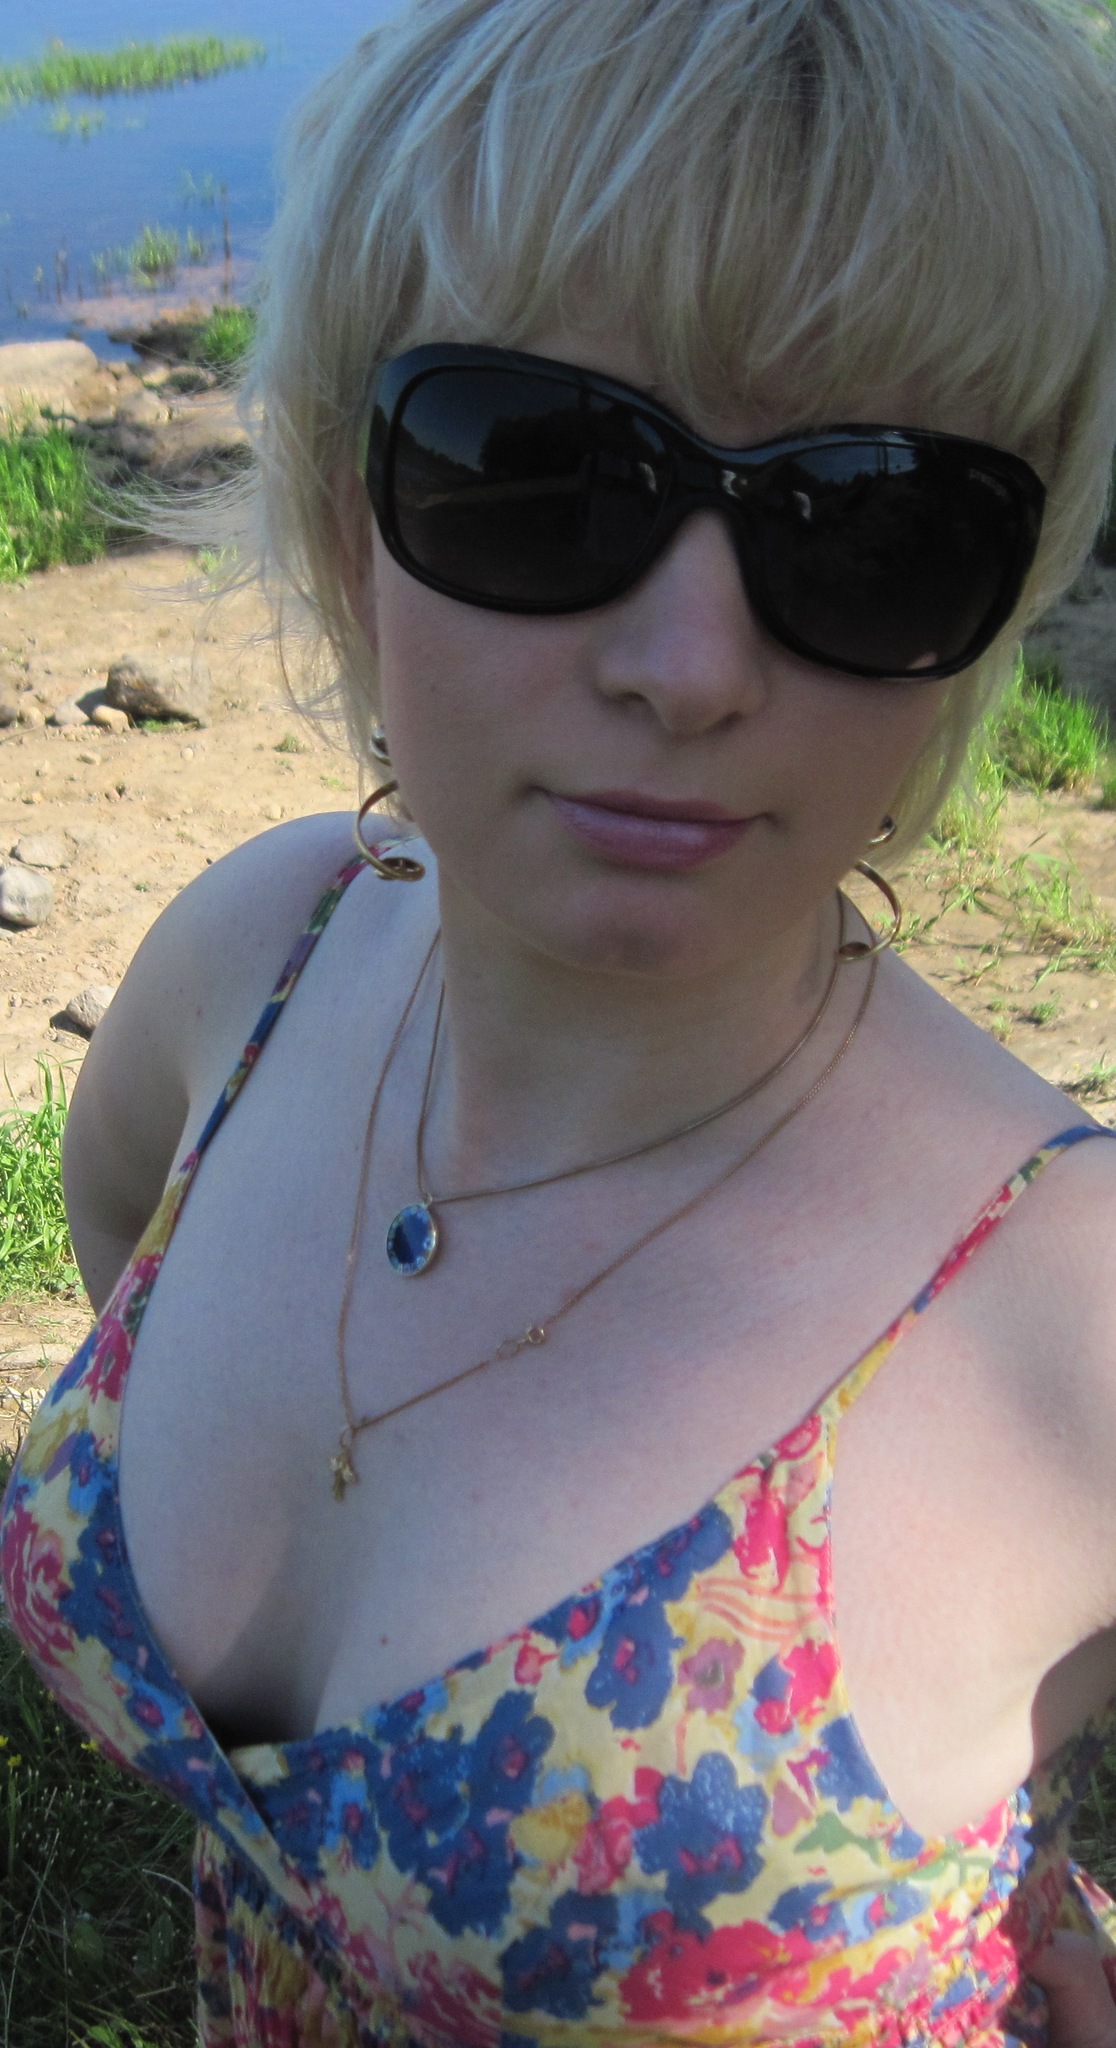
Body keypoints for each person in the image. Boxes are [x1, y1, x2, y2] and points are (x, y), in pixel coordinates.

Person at [4, 0, 1116, 2040]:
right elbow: (118, 1240)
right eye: (541, 472)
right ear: (342, 505)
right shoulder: (255, 958)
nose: (690, 666)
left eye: (872, 528)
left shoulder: (1073, 1314)